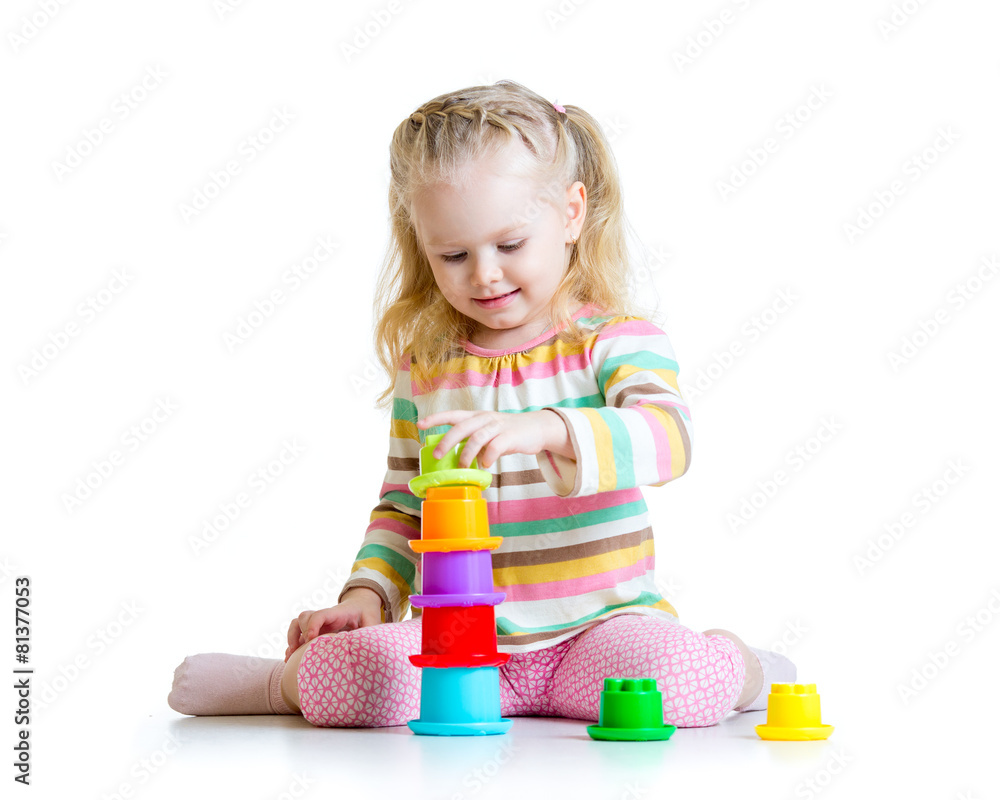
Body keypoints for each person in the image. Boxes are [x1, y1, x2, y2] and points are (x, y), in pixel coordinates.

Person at [168, 80, 794, 728]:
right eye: (455, 254)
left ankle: (742, 667)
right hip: (458, 639)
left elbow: (669, 438)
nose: (485, 274)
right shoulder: (430, 366)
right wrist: (366, 597)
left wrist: (543, 431)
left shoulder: (613, 340)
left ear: (572, 213)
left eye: (509, 245)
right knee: (364, 673)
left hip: (598, 632)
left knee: (673, 682)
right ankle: (276, 684)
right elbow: (406, 503)